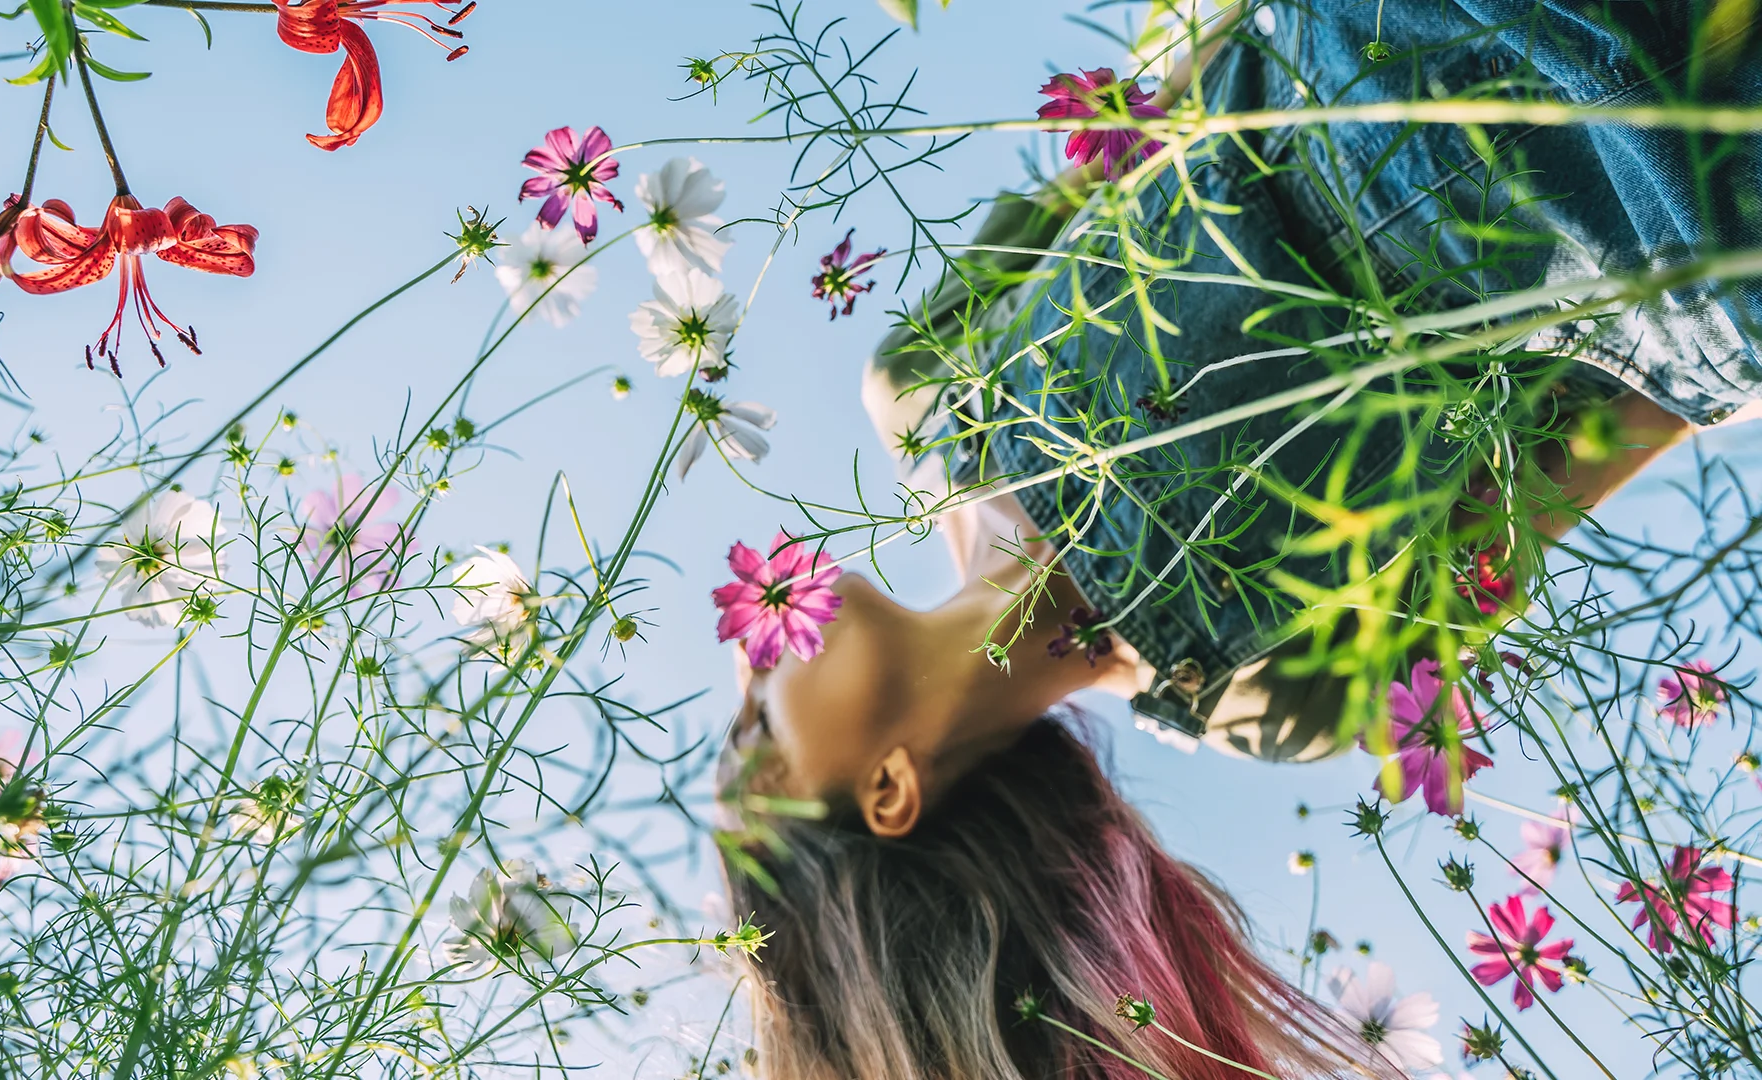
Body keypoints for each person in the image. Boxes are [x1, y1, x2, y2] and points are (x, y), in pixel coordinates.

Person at [717, 2, 1762, 1077]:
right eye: (759, 732)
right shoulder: (1261, 700)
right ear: (889, 792)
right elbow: (1601, 432)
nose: (747, 667)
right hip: (1671, 185)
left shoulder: (930, 390)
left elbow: (1153, 90)